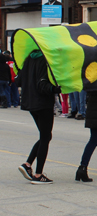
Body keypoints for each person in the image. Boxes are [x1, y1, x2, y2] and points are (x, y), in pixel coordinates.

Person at [16, 50, 61, 184]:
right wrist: (56, 89)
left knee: (45, 136)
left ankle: (27, 164)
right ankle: (38, 174)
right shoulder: (45, 60)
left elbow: (19, 81)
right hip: (43, 103)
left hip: (30, 102)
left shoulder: (28, 59)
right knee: (46, 136)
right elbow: (43, 85)